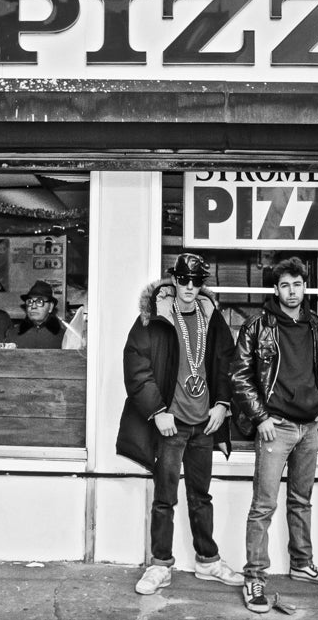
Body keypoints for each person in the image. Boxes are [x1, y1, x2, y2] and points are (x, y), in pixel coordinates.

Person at [116, 252, 242, 596]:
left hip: (205, 423)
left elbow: (226, 363)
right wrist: (157, 411)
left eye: (196, 281)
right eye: (183, 280)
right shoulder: (153, 318)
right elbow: (136, 366)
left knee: (201, 496)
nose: (189, 287)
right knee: (164, 498)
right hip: (171, 425)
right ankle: (159, 564)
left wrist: (223, 404)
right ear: (174, 279)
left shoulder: (211, 316)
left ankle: (207, 560)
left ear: (203, 283)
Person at [231, 257, 318, 614]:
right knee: (263, 505)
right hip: (275, 426)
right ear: (275, 289)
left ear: (304, 287)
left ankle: (302, 563)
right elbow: (240, 375)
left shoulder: (313, 322)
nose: (292, 292)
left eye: (297, 285)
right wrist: (259, 417)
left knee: (301, 500)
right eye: (285, 286)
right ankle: (254, 576)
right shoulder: (257, 326)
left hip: (309, 426)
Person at [9, 280, 66, 349]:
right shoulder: (13, 334)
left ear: (50, 307)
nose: (33, 306)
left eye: (39, 301)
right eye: (30, 301)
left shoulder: (64, 337)